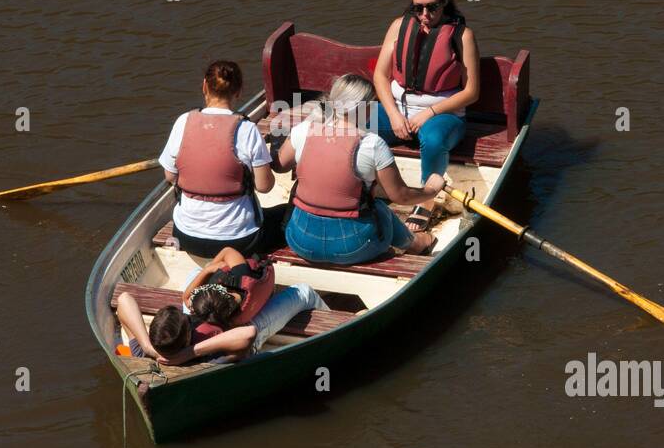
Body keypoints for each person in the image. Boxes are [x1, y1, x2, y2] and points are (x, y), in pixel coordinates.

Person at [276, 74, 446, 263]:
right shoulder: (372, 144)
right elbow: (401, 196)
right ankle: (414, 243)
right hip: (351, 247)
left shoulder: (303, 130)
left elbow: (280, 166)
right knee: (380, 208)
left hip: (300, 240)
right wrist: (431, 190)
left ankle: (414, 242)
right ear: (365, 108)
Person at [372, 0, 480, 234]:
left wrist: (429, 112)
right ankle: (367, 186)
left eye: (432, 7)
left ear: (444, 3)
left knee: (432, 140)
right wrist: (394, 116)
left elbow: (471, 92)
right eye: (418, 8)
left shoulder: (462, 35)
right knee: (350, 122)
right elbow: (380, 75)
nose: (424, 15)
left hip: (444, 116)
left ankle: (426, 200)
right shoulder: (399, 26)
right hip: (398, 112)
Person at [159, 61, 283, 257]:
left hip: (187, 236)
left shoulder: (183, 122)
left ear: (204, 86)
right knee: (286, 213)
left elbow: (170, 176)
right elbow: (264, 186)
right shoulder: (247, 130)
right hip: (239, 242)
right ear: (238, 92)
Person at [116, 250, 329, 365]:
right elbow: (248, 333)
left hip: (185, 336)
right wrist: (190, 352)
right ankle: (332, 323)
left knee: (194, 277)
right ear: (189, 334)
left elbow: (124, 299)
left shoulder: (145, 352)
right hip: (238, 330)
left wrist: (147, 347)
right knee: (303, 291)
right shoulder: (208, 358)